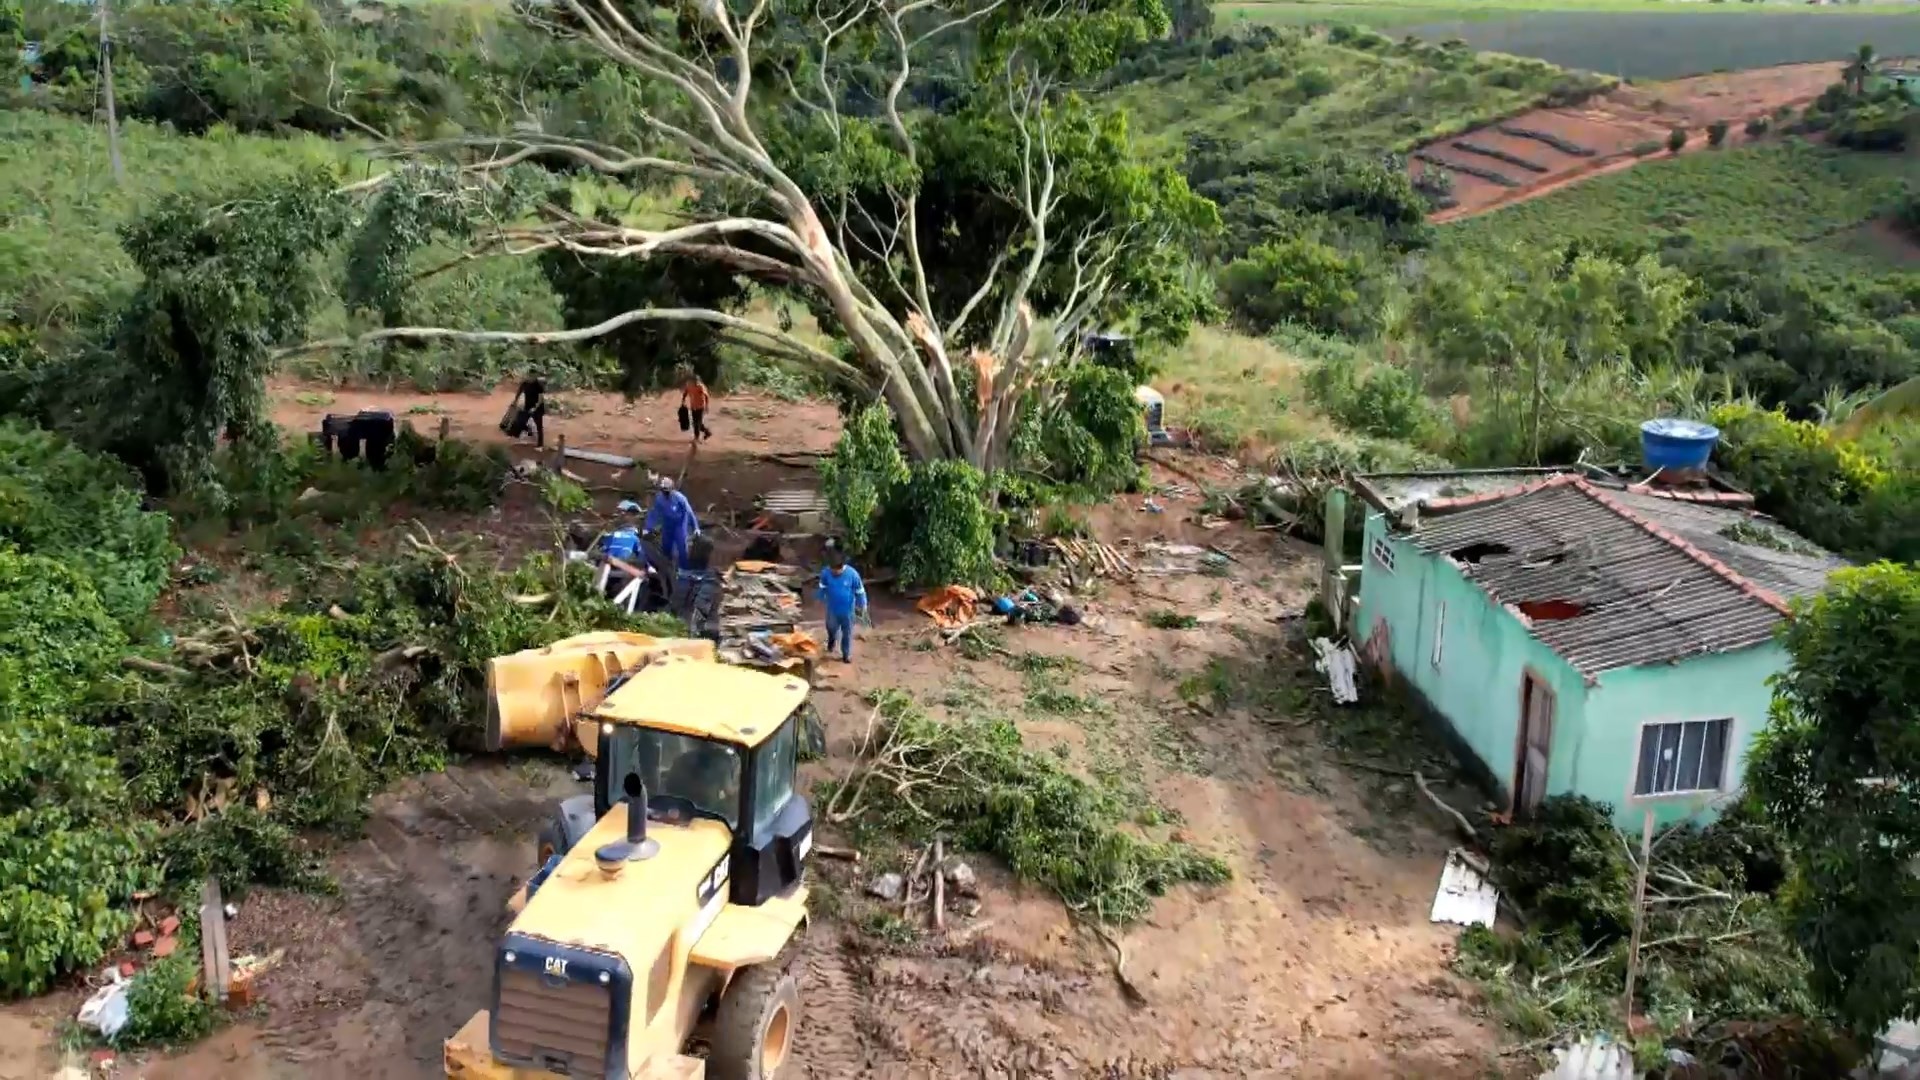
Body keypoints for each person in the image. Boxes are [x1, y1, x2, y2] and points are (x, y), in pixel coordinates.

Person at [817, 543, 869, 663]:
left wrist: (863, 605)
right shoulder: (825, 573)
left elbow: (860, 591)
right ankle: (831, 640)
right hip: (832, 610)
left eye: (837, 569)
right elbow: (822, 586)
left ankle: (846, 654)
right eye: (832, 569)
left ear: (843, 566)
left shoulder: (853, 575)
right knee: (831, 628)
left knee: (847, 633)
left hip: (848, 612)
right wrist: (820, 597)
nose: (834, 572)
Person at [672, 534, 723, 644]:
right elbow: (701, 609)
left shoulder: (680, 575)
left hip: (677, 629)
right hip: (699, 636)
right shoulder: (711, 580)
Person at [645, 477, 700, 569]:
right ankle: (668, 570)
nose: (665, 493)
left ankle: (684, 570)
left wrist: (696, 527)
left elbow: (689, 512)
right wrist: (648, 528)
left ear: (672, 489)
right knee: (666, 549)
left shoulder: (680, 498)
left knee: (682, 549)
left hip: (679, 525)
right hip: (667, 525)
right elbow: (654, 514)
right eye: (663, 490)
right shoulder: (659, 498)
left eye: (667, 491)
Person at [501, 377, 547, 448]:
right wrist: (515, 401)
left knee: (539, 426)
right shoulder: (525, 384)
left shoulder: (537, 386)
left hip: (537, 409)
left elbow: (540, 399)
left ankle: (540, 445)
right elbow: (519, 393)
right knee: (520, 420)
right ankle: (521, 432)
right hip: (527, 406)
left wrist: (534, 408)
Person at [681, 372, 712, 442]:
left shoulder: (701, 386)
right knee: (696, 423)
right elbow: (685, 393)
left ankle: (696, 438)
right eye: (694, 381)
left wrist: (707, 406)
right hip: (693, 406)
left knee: (697, 423)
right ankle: (707, 432)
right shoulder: (689, 386)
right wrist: (683, 400)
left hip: (701, 407)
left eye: (697, 381)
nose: (695, 382)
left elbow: (706, 396)